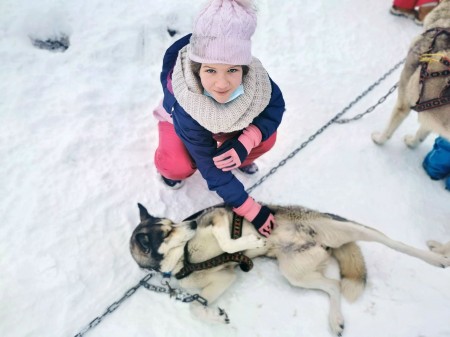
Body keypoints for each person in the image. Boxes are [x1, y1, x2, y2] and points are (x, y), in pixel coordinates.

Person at [152, 0, 285, 237]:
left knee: (266, 136)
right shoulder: (187, 102)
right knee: (179, 164)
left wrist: (247, 141)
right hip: (180, 124)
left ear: (245, 68)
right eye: (210, 70)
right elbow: (210, 168)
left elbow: (275, 105)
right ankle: (169, 171)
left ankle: (236, 158)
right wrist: (250, 209)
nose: (222, 84)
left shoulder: (256, 81)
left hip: (226, 126)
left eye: (232, 70)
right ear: (196, 68)